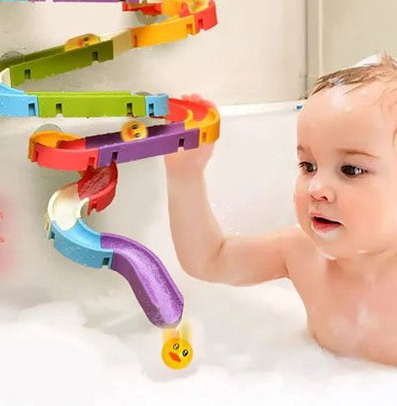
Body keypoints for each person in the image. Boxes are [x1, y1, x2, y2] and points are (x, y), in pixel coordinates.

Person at [164, 53, 397, 366]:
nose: (316, 188)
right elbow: (209, 260)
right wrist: (185, 175)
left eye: (351, 170)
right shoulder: (301, 255)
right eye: (308, 166)